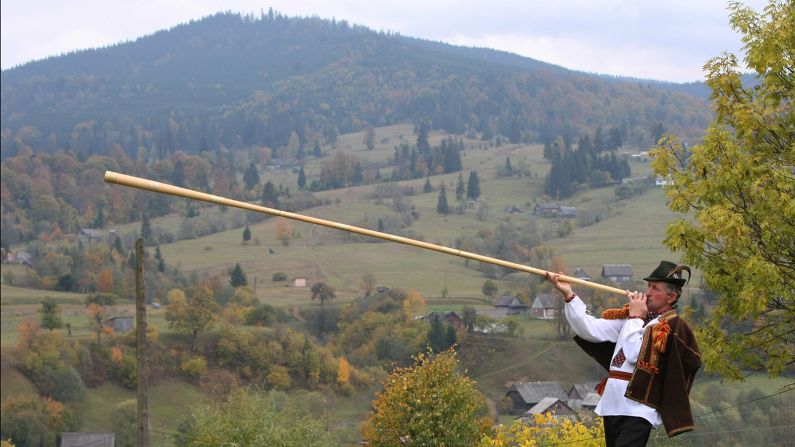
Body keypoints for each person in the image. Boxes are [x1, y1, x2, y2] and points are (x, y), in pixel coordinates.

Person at [547, 261, 701, 447]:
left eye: (655, 288)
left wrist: (636, 317)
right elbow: (590, 329)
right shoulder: (630, 320)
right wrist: (569, 295)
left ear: (671, 297)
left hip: (638, 408)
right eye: (648, 286)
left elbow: (634, 354)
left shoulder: (668, 328)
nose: (648, 292)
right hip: (613, 403)